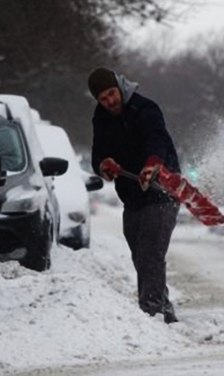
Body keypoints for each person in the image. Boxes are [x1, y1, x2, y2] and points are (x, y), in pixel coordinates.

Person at [88, 67, 181, 324]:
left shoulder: (145, 109)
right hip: (131, 197)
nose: (109, 101)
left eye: (111, 94)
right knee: (140, 255)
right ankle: (164, 308)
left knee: (151, 253)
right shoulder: (101, 118)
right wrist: (103, 165)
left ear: (120, 86)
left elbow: (157, 139)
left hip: (163, 192)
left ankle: (152, 314)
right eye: (103, 99)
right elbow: (98, 153)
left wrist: (153, 163)